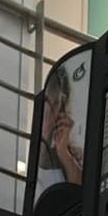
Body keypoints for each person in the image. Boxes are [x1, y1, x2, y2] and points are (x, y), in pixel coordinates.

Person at [36, 66, 85, 200]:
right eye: (47, 103)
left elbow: (81, 196)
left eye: (56, 103)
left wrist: (64, 153)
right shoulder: (34, 157)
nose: (50, 112)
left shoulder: (71, 155)